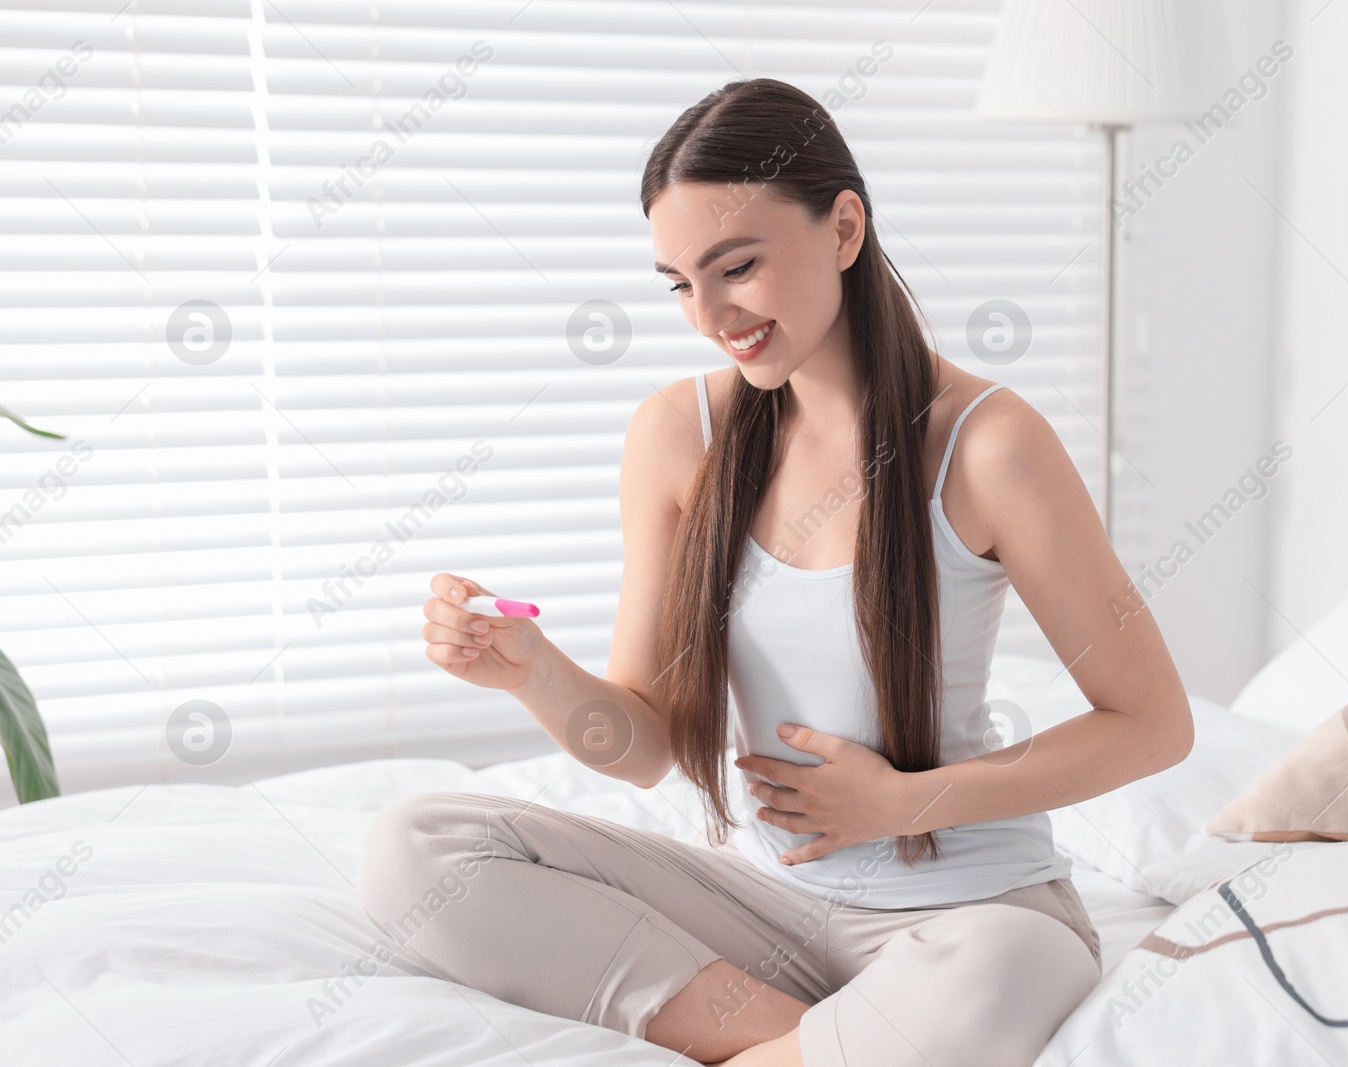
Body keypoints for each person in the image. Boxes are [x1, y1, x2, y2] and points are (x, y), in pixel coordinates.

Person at [360, 76, 1193, 1067]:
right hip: (759, 903)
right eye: (677, 282)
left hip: (968, 910)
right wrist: (530, 667)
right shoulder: (679, 434)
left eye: (737, 266)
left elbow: (1152, 721)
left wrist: (901, 802)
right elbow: (642, 745)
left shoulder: (986, 445)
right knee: (417, 850)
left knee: (1003, 970)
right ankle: (798, 1045)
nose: (709, 313)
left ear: (844, 227)